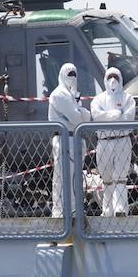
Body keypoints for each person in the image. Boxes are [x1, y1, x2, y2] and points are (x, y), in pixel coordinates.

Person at [90, 67, 136, 217]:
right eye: (110, 76)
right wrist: (116, 114)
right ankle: (107, 209)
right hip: (103, 142)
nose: (113, 80)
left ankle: (121, 208)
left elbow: (128, 118)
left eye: (116, 76)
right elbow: (97, 116)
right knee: (107, 179)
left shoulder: (128, 98)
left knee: (120, 177)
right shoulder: (98, 99)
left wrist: (106, 116)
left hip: (122, 141)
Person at [48, 63, 91, 219]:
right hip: (64, 139)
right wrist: (81, 113)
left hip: (75, 139)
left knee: (74, 178)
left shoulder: (71, 96)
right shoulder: (59, 95)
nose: (72, 78)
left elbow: (81, 117)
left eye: (74, 74)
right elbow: (77, 118)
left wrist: (80, 113)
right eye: (69, 74)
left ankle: (73, 209)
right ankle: (61, 211)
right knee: (62, 177)